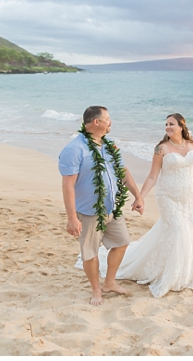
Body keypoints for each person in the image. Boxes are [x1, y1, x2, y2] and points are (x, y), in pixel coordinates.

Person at [86, 113, 193, 298]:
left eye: (171, 124)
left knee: (185, 230)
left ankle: (182, 271)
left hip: (188, 197)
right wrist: (140, 197)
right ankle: (171, 275)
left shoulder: (192, 145)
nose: (168, 127)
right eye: (166, 124)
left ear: (181, 126)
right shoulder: (161, 148)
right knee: (178, 229)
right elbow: (153, 176)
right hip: (167, 196)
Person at [60, 106, 144, 306]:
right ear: (96, 122)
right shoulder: (74, 149)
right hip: (89, 211)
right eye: (107, 119)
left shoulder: (110, 146)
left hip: (112, 207)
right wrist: (72, 218)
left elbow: (123, 171)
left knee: (122, 243)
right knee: (90, 252)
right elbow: (68, 185)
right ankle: (96, 290)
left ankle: (109, 283)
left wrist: (137, 196)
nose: (110, 122)